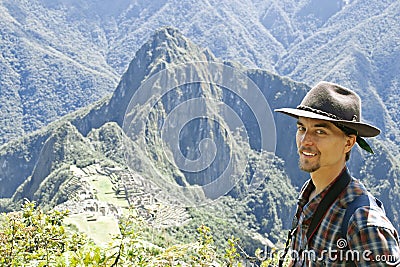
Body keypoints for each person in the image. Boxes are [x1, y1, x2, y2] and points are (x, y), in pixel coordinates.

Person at [275, 81, 400, 266]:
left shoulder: (363, 222)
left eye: (320, 131)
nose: (305, 140)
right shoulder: (310, 194)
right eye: (301, 128)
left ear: (348, 143)